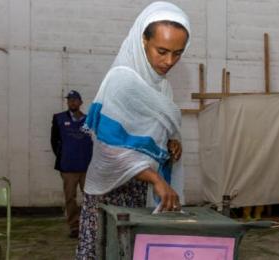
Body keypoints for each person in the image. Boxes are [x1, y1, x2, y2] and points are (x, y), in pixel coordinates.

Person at [76, 2, 190, 258]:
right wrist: (156, 179)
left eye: (178, 53)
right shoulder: (121, 81)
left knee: (132, 251)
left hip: (139, 192)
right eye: (162, 51)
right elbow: (110, 149)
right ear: (143, 41)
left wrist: (172, 140)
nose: (169, 61)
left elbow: (159, 131)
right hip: (109, 194)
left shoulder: (162, 87)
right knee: (105, 250)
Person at [51, 90, 93, 238]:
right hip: (68, 167)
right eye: (70, 100)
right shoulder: (59, 119)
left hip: (86, 167)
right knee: (70, 198)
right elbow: (54, 141)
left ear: (81, 102)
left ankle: (89, 225)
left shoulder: (89, 120)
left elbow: (93, 141)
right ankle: (74, 226)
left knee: (90, 198)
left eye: (75, 100)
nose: (72, 102)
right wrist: (64, 156)